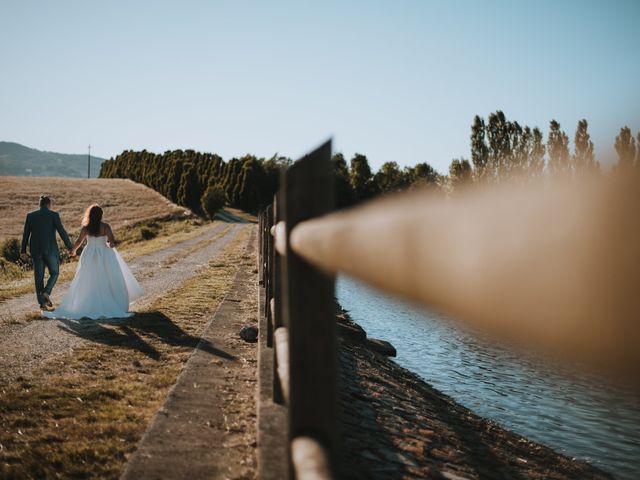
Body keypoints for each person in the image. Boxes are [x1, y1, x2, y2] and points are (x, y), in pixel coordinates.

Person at [43, 204, 143, 320]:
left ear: (89, 215)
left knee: (87, 278)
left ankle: (87, 302)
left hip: (89, 254)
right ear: (101, 215)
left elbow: (79, 241)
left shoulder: (86, 228)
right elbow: (111, 241)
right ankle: (111, 302)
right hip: (105, 254)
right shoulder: (105, 226)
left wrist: (73, 251)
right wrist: (110, 244)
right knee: (107, 277)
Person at [20, 195, 73, 310]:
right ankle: (46, 292)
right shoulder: (54, 215)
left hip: (36, 251)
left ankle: (42, 304)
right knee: (54, 272)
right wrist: (70, 247)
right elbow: (62, 232)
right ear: (49, 204)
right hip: (51, 250)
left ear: (40, 204)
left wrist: (23, 251)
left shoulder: (30, 216)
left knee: (38, 278)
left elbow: (25, 235)